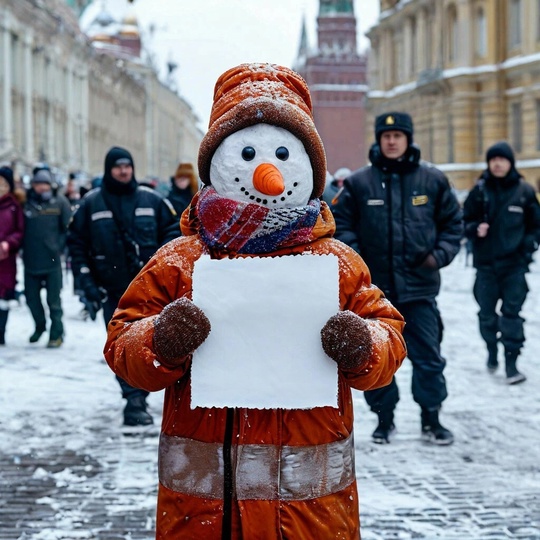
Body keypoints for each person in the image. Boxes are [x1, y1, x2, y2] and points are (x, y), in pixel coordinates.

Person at [103, 63, 406, 539]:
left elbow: (388, 340)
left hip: (310, 519)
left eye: (284, 153)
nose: (266, 174)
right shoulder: (181, 261)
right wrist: (161, 340)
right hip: (205, 516)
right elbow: (122, 344)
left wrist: (363, 344)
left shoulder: (337, 263)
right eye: (246, 153)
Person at [332, 111, 463, 446]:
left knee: (429, 358)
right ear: (378, 140)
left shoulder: (432, 180)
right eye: (385, 136)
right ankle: (384, 419)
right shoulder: (360, 184)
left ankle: (431, 418)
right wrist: (360, 262)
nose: (391, 141)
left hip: (420, 291)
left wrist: (437, 257)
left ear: (408, 139)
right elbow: (342, 226)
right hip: (376, 295)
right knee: (377, 359)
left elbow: (453, 225)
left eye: (397, 135)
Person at [67, 146, 180, 427]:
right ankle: (133, 399)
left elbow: (173, 233)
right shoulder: (90, 204)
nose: (123, 170)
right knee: (121, 348)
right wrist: (87, 283)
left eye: (127, 165)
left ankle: (138, 397)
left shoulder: (152, 200)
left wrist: (164, 268)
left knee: (150, 344)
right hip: (112, 291)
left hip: (151, 291)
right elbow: (76, 245)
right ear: (109, 169)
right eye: (117, 166)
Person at [463, 141, 540, 384]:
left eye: (502, 159)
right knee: (486, 315)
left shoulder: (524, 191)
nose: (497, 163)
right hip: (485, 267)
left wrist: (527, 248)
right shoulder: (479, 191)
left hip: (514, 267)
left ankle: (511, 363)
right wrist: (476, 229)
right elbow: (463, 223)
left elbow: (535, 226)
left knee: (512, 315)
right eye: (493, 159)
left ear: (510, 162)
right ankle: (492, 349)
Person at [22, 167, 72, 348]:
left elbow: (69, 228)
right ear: (33, 185)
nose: (41, 188)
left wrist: (59, 247)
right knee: (31, 299)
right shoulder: (26, 203)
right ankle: (40, 326)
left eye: (44, 184)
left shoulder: (59, 202)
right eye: (38, 184)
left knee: (54, 301)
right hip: (30, 260)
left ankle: (57, 333)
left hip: (52, 261)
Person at [0, 166, 24, 345]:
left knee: (3, 297)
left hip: (6, 260)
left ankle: (1, 331)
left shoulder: (14, 207)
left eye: (3, 184)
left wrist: (9, 242)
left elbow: (20, 231)